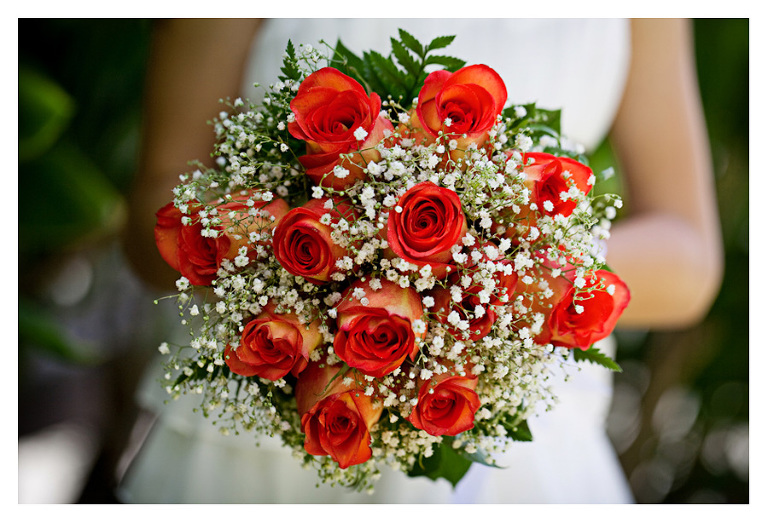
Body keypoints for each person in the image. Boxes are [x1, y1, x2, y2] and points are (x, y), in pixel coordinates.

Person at [119, 18, 723, 503]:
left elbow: (689, 258)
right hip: (251, 450)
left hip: (524, 445)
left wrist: (509, 273)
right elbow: (156, 205)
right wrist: (304, 263)